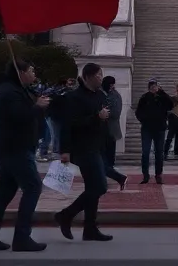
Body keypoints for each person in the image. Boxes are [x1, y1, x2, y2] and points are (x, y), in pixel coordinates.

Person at [0, 59, 49, 253]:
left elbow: (29, 114)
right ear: (21, 73)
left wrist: (39, 105)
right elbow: (18, 117)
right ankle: (22, 237)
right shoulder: (9, 92)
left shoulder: (19, 90)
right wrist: (37, 107)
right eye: (31, 70)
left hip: (15, 147)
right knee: (33, 187)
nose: (34, 74)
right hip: (16, 147)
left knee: (4, 193)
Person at [53, 62, 113, 243]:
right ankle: (66, 214)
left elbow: (102, 119)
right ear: (87, 76)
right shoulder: (74, 97)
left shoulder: (99, 95)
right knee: (100, 187)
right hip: (82, 148)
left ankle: (90, 228)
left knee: (92, 188)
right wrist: (64, 150)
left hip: (97, 146)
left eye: (102, 75)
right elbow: (69, 124)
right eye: (98, 75)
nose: (101, 78)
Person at [135, 78, 173, 184]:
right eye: (152, 86)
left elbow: (171, 105)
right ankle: (145, 175)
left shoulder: (162, 97)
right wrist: (144, 120)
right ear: (149, 88)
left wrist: (162, 92)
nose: (154, 88)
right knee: (145, 152)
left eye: (155, 86)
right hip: (147, 129)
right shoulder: (144, 98)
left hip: (160, 128)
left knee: (159, 152)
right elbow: (138, 112)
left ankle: (158, 175)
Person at [101, 75, 127, 191]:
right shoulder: (102, 94)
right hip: (101, 131)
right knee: (102, 159)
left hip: (110, 131)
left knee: (107, 159)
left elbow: (116, 113)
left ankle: (117, 178)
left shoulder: (115, 96)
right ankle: (109, 178)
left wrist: (103, 112)